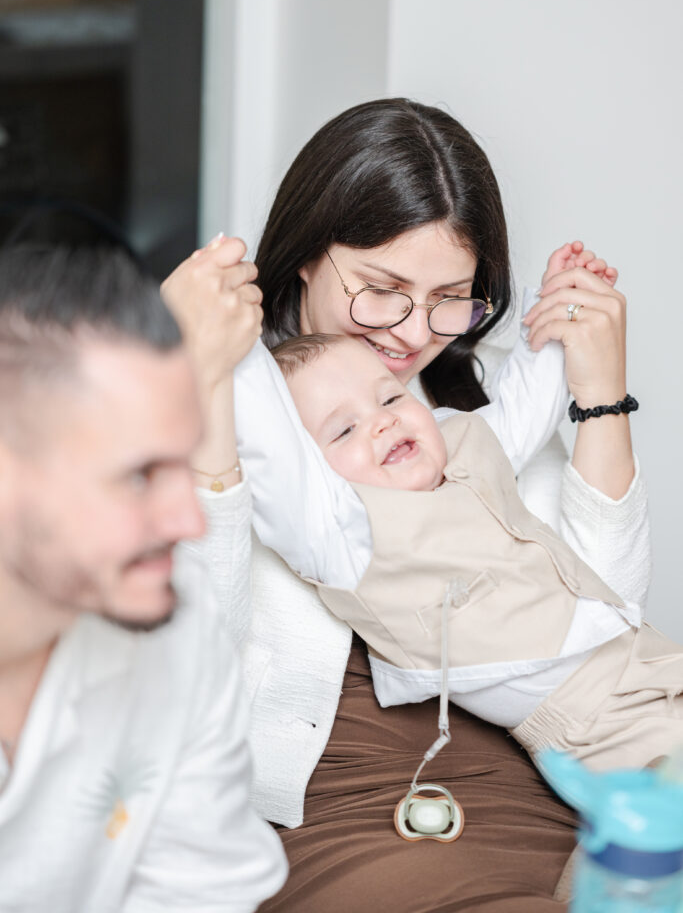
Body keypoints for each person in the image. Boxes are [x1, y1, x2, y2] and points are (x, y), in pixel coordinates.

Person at [162, 97, 649, 911]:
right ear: (310, 255)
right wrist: (203, 390)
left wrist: (598, 398)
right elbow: (187, 659)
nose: (411, 333)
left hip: (543, 786)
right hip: (338, 812)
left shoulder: (472, 415)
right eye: (382, 289)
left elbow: (603, 619)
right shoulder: (228, 401)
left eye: (449, 297)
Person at [235, 328, 676, 781]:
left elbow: (525, 409)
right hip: (595, 723)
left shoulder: (460, 441)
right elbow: (268, 450)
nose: (383, 421)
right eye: (344, 429)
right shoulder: (337, 531)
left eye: (390, 399)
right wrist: (230, 343)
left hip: (653, 659)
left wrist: (554, 315)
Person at [0, 240, 287, 912]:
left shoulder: (179, 624)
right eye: (138, 476)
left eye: (183, 464)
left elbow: (199, 894)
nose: (189, 521)